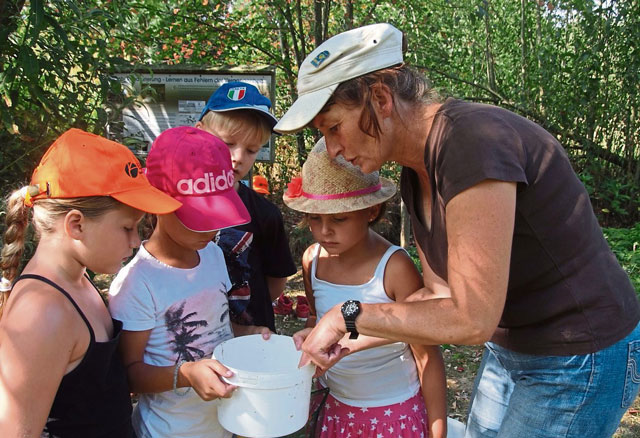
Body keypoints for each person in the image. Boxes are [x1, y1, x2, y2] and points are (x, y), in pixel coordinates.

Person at [274, 23, 640, 438]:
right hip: (512, 348)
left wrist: (346, 316)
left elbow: (471, 318)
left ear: (380, 98)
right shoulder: (417, 171)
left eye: (333, 127)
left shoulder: (470, 143)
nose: (333, 149)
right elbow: (439, 296)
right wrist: (347, 339)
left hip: (577, 352)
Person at [0, 128, 181, 437]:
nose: (136, 241)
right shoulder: (42, 312)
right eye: (127, 227)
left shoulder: (78, 281)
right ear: (76, 225)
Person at [108, 126, 271, 438]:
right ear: (158, 203)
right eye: (200, 219)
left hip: (225, 421)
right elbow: (129, 374)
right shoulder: (136, 283)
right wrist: (185, 375)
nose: (212, 232)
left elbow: (216, 324)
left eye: (218, 217)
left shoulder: (212, 255)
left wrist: (247, 333)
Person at [285, 138, 447, 438]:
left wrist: (438, 431)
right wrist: (309, 336)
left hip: (392, 413)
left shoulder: (394, 268)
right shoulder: (313, 261)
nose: (324, 231)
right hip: (335, 408)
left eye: (339, 219)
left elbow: (427, 354)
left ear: (371, 211)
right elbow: (323, 323)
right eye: (314, 219)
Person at [196, 81, 297, 332]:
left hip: (251, 340)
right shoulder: (172, 206)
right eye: (228, 143)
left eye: (252, 150)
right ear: (199, 133)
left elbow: (275, 284)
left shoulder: (265, 214)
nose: (238, 157)